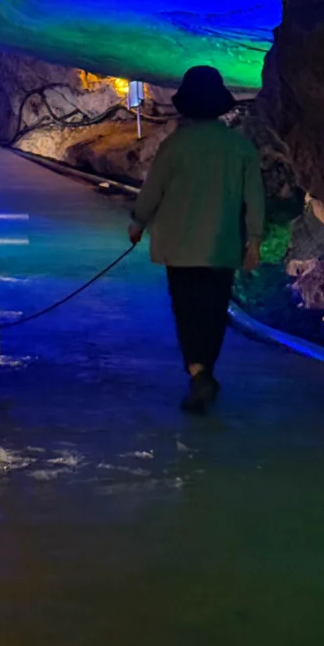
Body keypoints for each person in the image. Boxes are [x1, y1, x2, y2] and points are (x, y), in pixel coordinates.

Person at [128, 65, 265, 414]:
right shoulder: (240, 148)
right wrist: (253, 241)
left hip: (180, 245)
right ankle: (206, 370)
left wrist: (138, 222)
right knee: (215, 311)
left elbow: (153, 189)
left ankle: (197, 372)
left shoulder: (175, 146)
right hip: (222, 245)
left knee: (186, 310)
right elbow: (254, 198)